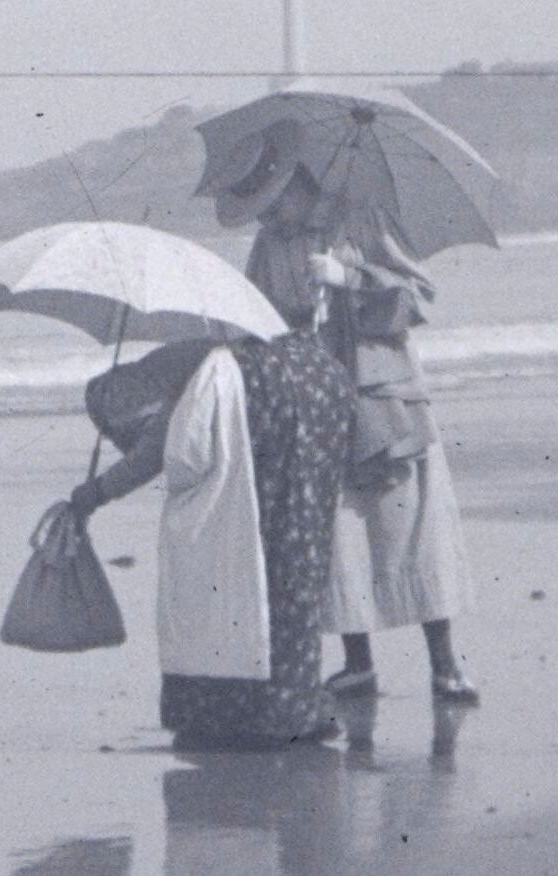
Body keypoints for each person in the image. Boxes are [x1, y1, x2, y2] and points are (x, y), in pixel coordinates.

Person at [205, 118, 478, 703]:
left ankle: (444, 665)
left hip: (383, 393)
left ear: (293, 183)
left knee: (410, 522)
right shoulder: (269, 245)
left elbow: (418, 297)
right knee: (337, 531)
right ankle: (359, 665)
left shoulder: (361, 219)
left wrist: (348, 277)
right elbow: (257, 321)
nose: (266, 219)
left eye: (270, 205)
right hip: (316, 398)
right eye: (257, 211)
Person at [70, 330, 354, 750]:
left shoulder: (203, 371)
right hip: (305, 475)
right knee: (290, 588)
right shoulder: (314, 364)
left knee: (229, 599)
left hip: (246, 473)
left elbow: (175, 451)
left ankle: (229, 716)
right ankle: (293, 708)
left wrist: (96, 492)